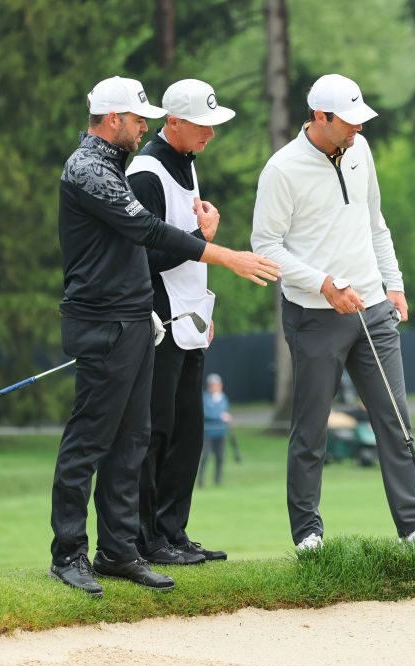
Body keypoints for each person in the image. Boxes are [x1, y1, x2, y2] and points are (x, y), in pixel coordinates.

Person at [49, 76, 279, 598]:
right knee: (88, 442)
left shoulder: (111, 166)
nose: (143, 126)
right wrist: (226, 256)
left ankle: (118, 551)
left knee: (131, 443)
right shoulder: (87, 170)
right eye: (137, 119)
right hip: (102, 321)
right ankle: (68, 554)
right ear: (113, 120)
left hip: (133, 319)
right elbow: (150, 233)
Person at [251, 73, 415, 551]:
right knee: (311, 430)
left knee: (396, 420)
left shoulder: (360, 151)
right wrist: (322, 283)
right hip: (315, 316)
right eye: (350, 121)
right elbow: (265, 246)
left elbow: (375, 222)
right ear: (321, 117)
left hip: (373, 309)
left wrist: (393, 284)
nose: (359, 128)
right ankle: (308, 534)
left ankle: (414, 527)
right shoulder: (282, 170)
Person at [127, 79, 234, 566]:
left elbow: (189, 253)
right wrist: (201, 233)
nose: (210, 133)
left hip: (190, 318)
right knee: (158, 431)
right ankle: (147, 539)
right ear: (173, 122)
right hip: (160, 321)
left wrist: (205, 310)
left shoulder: (186, 164)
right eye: (202, 125)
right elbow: (141, 256)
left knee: (188, 431)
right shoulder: (146, 172)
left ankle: (173, 532)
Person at [200, 373, 232, 486]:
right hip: (208, 433)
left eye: (217, 384)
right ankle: (201, 480)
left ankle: (218, 480)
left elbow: (225, 411)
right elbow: (206, 413)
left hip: (220, 432)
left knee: (220, 457)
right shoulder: (205, 398)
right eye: (213, 384)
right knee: (206, 456)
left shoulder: (223, 398)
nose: (215, 386)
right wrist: (220, 416)